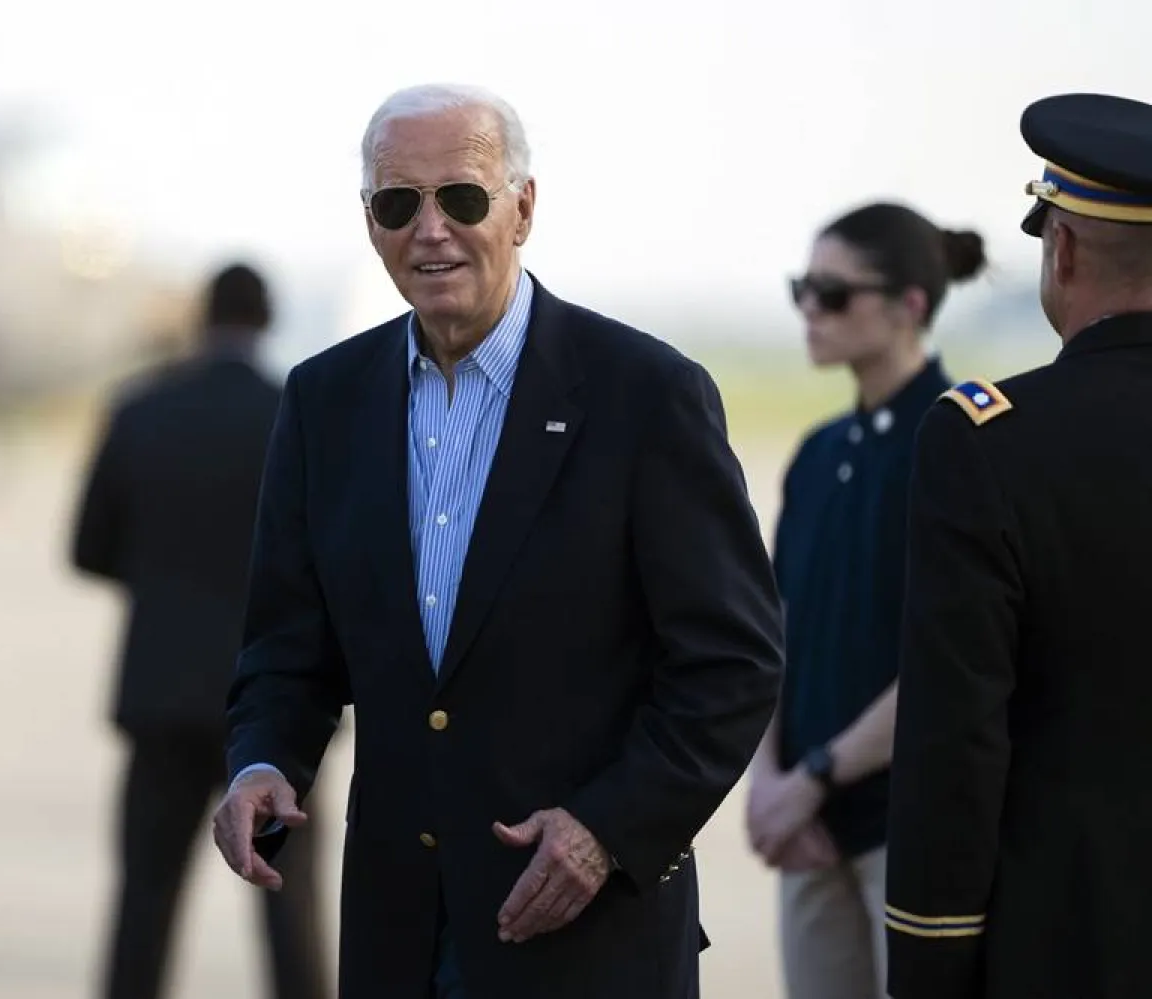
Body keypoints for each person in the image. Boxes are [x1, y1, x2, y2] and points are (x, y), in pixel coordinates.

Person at [209, 82, 785, 999]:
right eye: (400, 204)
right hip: (398, 932)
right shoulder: (324, 402)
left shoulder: (646, 394)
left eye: (463, 198)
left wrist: (606, 828)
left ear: (523, 207)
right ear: (370, 222)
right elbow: (288, 643)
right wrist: (266, 760)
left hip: (581, 933)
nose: (431, 229)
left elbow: (734, 662)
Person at [885, 92, 1152, 999]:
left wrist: (930, 954)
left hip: (1071, 945)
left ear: (1064, 248)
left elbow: (955, 742)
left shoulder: (991, 440)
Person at [745, 202, 986, 999]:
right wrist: (772, 780)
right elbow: (774, 628)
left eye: (833, 293)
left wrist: (812, 775)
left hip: (907, 836)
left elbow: (950, 659)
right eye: (800, 290)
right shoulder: (817, 454)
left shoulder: (956, 447)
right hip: (806, 834)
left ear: (910, 305)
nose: (811, 309)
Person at [71, 262, 329, 999]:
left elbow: (87, 548)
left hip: (160, 694)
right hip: (277, 710)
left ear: (201, 316)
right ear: (268, 318)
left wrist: (163, 583)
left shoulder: (141, 408)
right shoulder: (297, 415)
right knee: (290, 904)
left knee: (145, 899)